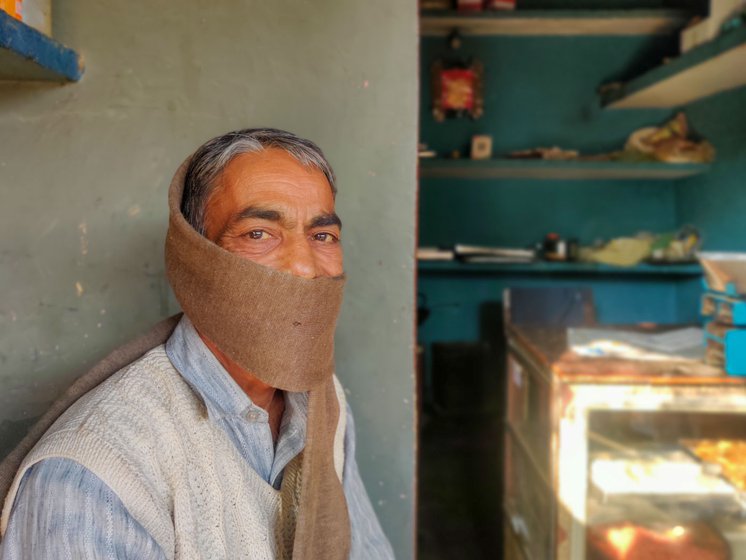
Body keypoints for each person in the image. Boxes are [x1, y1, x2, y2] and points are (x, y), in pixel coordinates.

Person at [0, 128, 395, 559]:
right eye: (259, 234)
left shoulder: (322, 401)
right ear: (196, 259)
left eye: (322, 237)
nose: (304, 267)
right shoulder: (97, 477)